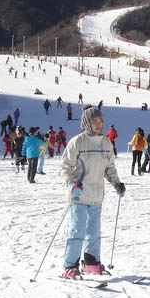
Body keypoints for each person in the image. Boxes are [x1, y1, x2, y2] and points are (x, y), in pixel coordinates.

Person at [61, 104, 124, 278]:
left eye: (101, 121)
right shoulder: (78, 141)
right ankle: (70, 265)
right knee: (77, 230)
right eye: (95, 121)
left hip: (97, 195)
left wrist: (117, 183)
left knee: (94, 232)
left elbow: (109, 168)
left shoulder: (106, 143)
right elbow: (65, 166)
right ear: (87, 122)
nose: (99, 124)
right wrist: (70, 185)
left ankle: (91, 262)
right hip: (79, 195)